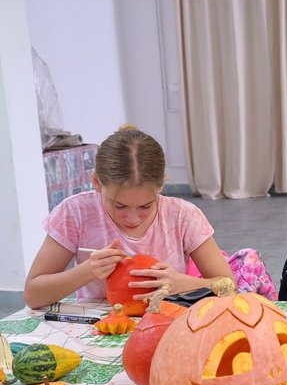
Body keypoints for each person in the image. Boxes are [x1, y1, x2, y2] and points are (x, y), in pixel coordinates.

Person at [24, 125, 234, 309]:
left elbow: (229, 285)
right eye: (119, 205)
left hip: (165, 320)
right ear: (97, 183)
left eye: (145, 206)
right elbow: (33, 295)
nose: (132, 218)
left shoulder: (182, 216)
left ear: (161, 184)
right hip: (100, 327)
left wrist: (184, 283)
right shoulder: (75, 213)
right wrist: (87, 271)